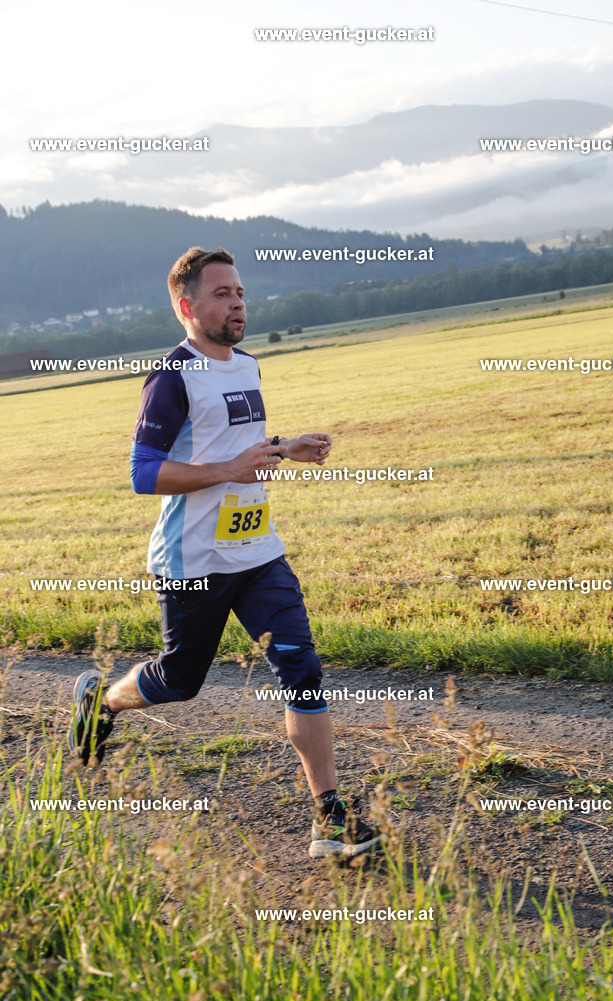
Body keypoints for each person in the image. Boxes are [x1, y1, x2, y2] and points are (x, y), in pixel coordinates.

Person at [67, 246, 380, 861]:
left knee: (301, 669)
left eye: (239, 292)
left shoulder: (249, 365)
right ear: (188, 308)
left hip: (258, 552)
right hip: (194, 561)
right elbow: (143, 473)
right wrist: (230, 469)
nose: (237, 302)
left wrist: (284, 447)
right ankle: (103, 702)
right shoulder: (171, 378)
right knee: (179, 681)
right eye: (222, 294)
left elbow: (236, 444)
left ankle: (329, 817)